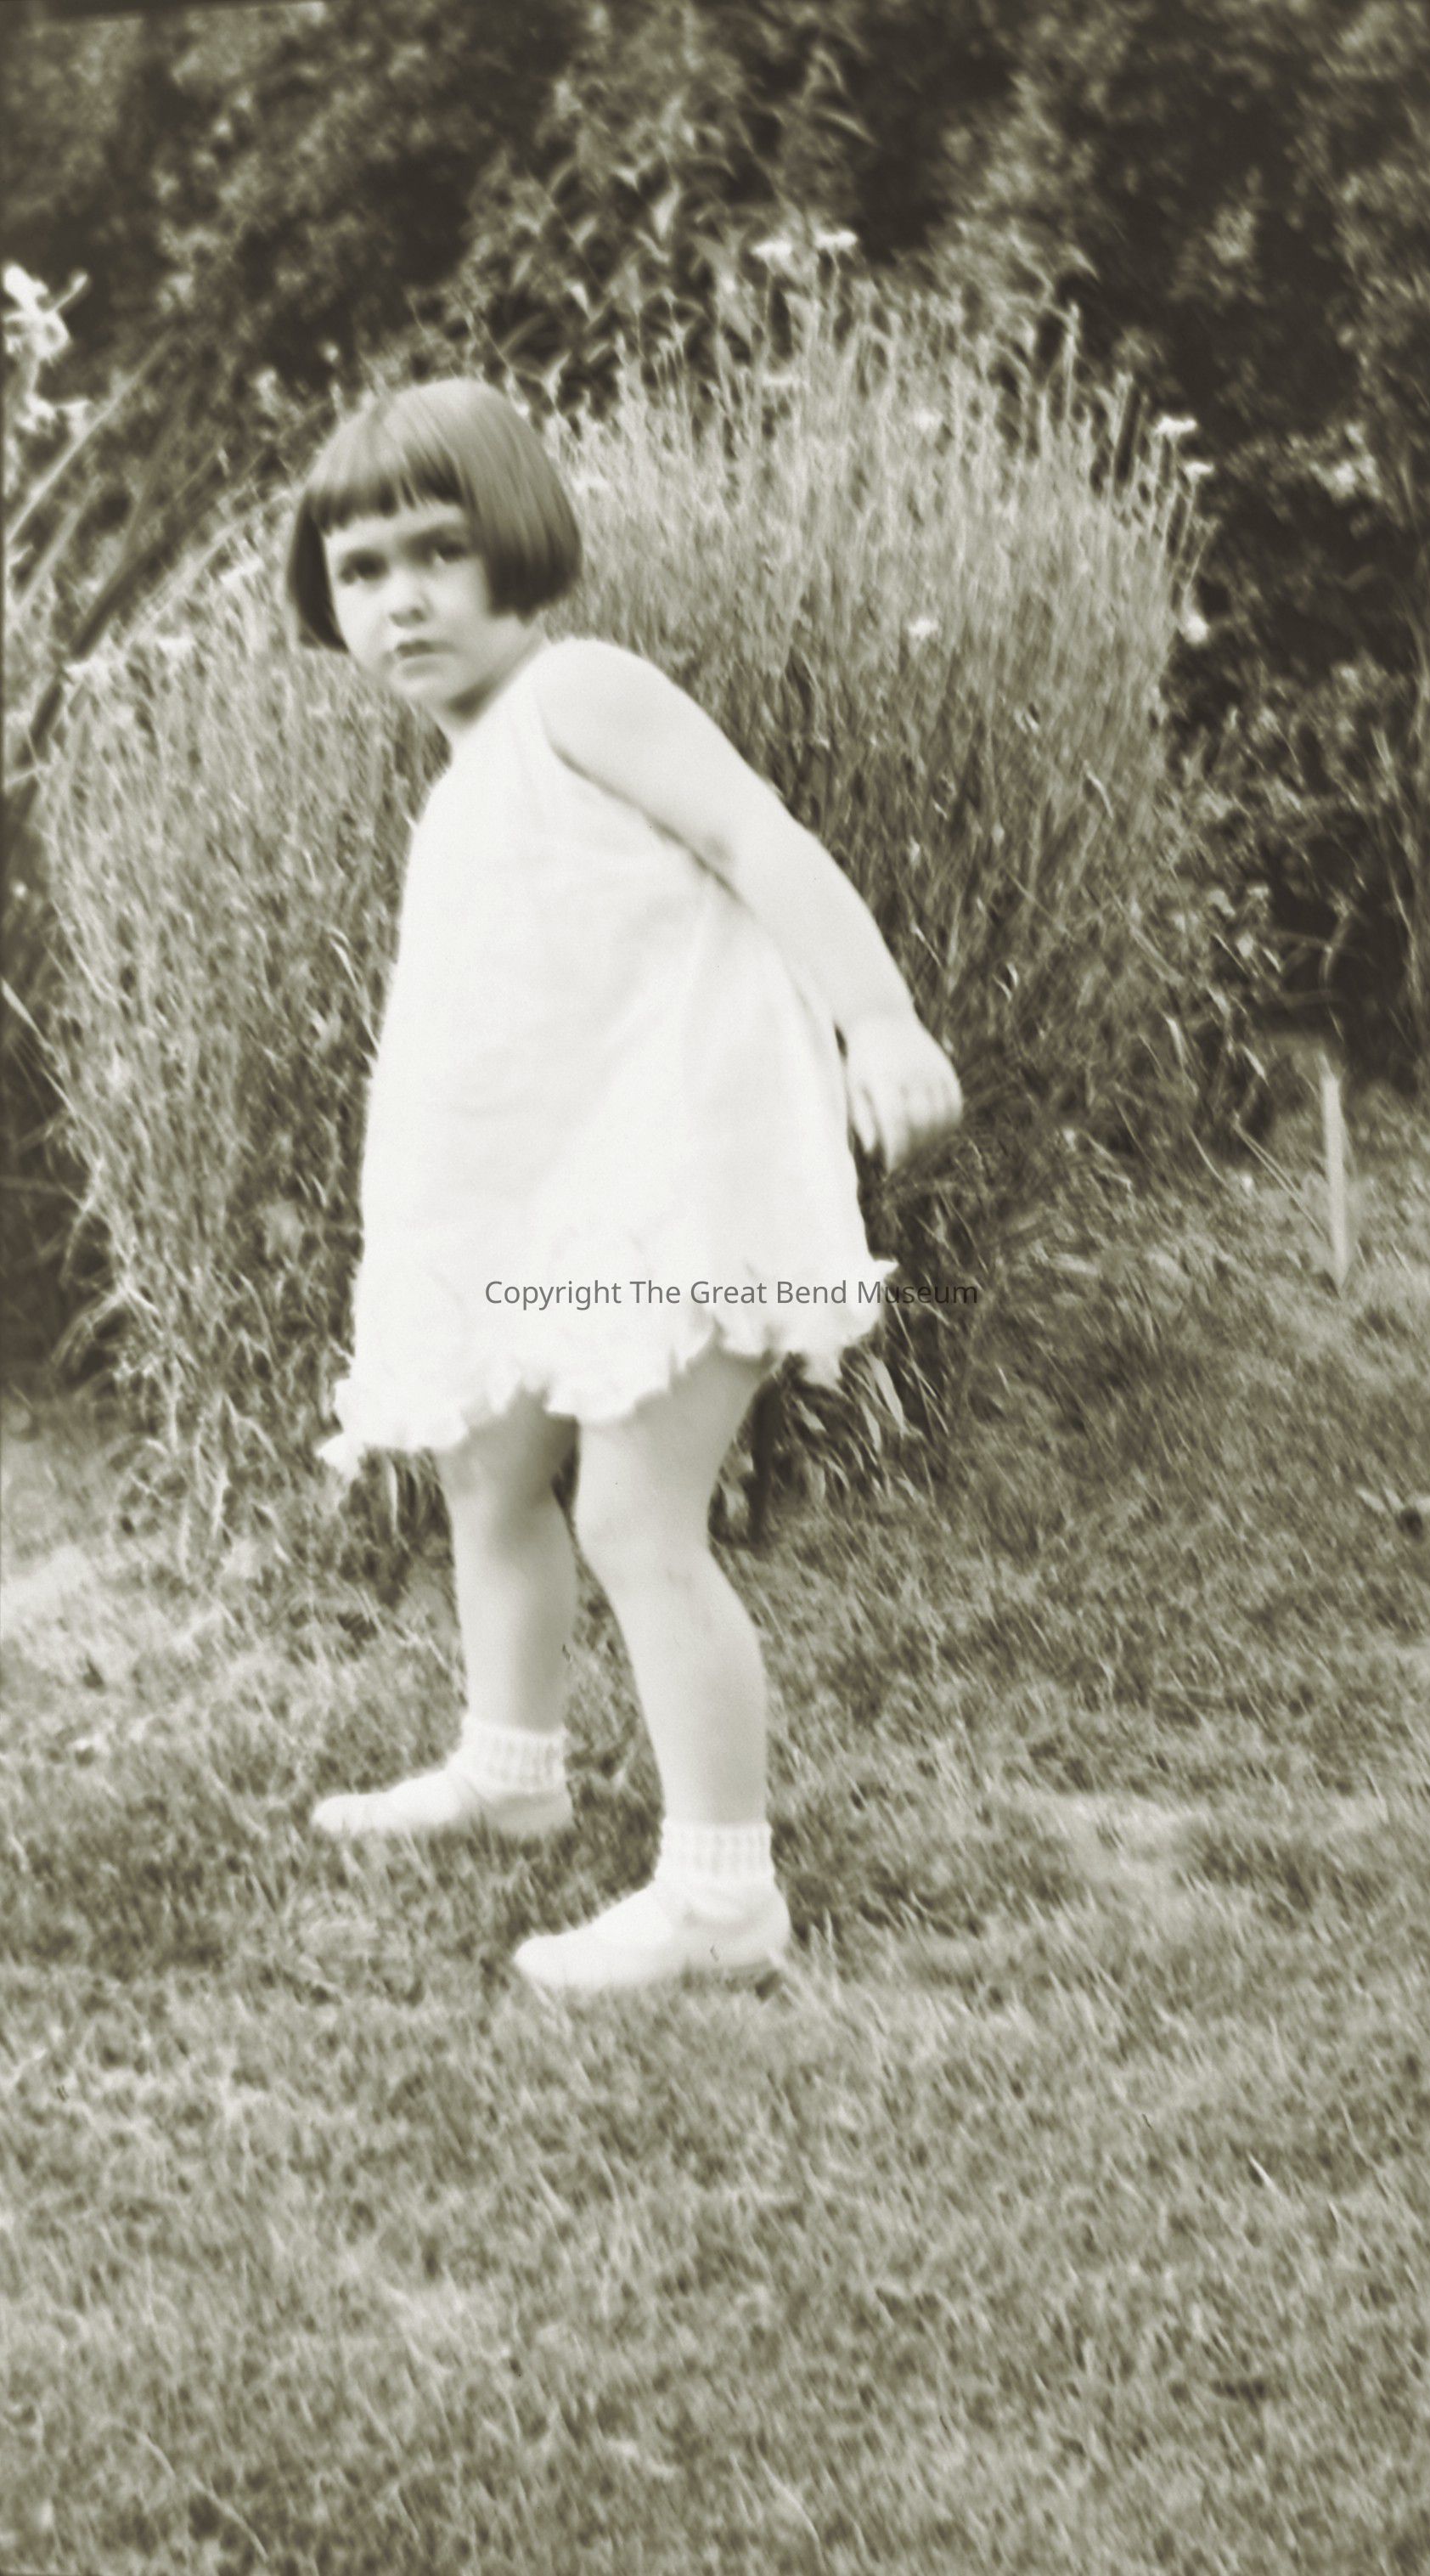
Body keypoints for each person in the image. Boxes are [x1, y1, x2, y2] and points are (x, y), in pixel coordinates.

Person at [284, 376, 962, 1996]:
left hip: (675, 1188)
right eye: (362, 569)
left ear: (517, 545)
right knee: (488, 1469)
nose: (402, 597)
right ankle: (510, 1763)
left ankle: (725, 1893)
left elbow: (753, 831)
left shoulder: (579, 692)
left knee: (636, 1514)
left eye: (439, 551)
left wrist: (876, 1018)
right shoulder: (470, 768)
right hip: (555, 1202)